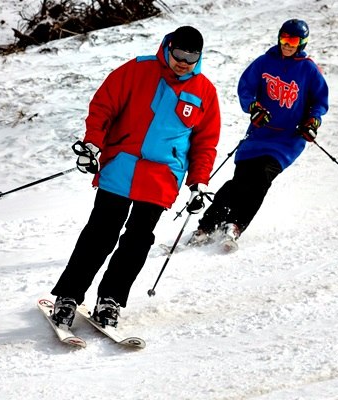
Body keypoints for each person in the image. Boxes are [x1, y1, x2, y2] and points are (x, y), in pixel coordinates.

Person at [50, 26, 221, 328]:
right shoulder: (137, 70)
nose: (183, 62)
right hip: (121, 165)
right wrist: (92, 144)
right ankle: (68, 297)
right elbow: (103, 107)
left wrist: (198, 184)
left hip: (161, 177)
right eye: (178, 54)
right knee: (99, 235)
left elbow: (204, 144)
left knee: (137, 242)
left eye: (191, 57)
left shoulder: (204, 92)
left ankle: (110, 300)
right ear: (168, 47)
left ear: (199, 57)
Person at [188, 19, 328, 249]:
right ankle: (208, 225)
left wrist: (313, 121)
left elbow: (319, 101)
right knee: (241, 179)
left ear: (302, 42)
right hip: (258, 135)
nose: (287, 44)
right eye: (284, 38)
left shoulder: (309, 69)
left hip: (287, 141)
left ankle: (235, 225)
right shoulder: (264, 62)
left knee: (261, 178)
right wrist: (253, 107)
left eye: (292, 40)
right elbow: (246, 88)